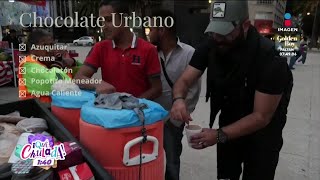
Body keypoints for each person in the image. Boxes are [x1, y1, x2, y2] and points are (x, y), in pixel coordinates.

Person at [170, 1, 293, 180]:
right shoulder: (213, 43)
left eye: (225, 32)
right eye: (214, 31)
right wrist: (178, 99)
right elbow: (185, 80)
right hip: (230, 120)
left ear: (245, 25)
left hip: (264, 133)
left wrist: (218, 135)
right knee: (226, 176)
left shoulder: (269, 58)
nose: (218, 37)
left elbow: (261, 117)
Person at [149, 10, 201, 180]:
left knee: (172, 161)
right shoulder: (149, 52)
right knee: (147, 158)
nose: (149, 32)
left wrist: (175, 121)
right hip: (151, 119)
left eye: (151, 28)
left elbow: (192, 92)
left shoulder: (189, 53)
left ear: (162, 30)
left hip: (172, 122)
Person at [74, 0, 162, 100]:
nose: (104, 26)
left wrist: (134, 104)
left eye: (109, 20)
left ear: (124, 18)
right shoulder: (100, 48)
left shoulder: (148, 49)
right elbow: (79, 78)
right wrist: (97, 84)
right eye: (101, 22)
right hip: (110, 111)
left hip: (137, 113)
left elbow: (157, 89)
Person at [19, 29, 76, 104]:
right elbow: (59, 84)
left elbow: (80, 73)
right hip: (37, 112)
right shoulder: (28, 65)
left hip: (51, 110)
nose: (50, 49)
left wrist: (73, 62)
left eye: (52, 45)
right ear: (32, 48)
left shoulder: (46, 62)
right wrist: (59, 62)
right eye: (45, 45)